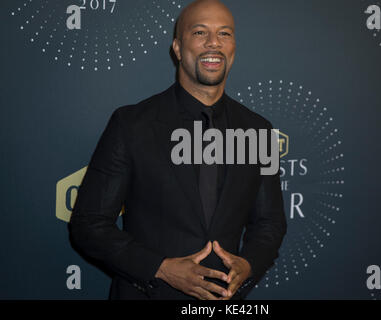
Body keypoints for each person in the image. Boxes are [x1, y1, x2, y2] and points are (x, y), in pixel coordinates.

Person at [69, 0, 287, 300]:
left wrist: (248, 265)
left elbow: (270, 222)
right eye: (200, 32)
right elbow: (88, 224)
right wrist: (161, 268)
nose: (214, 43)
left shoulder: (258, 130)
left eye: (224, 33)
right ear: (177, 47)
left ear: (234, 46)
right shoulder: (132, 124)